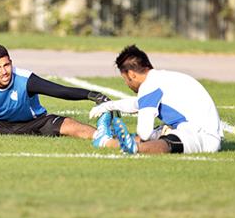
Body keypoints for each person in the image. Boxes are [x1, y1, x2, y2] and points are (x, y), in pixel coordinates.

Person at [88, 45, 223, 154]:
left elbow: (144, 133)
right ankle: (114, 137)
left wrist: (145, 137)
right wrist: (108, 106)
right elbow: (137, 104)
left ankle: (109, 142)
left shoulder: (149, 87)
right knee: (160, 131)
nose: (126, 84)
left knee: (160, 140)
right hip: (203, 132)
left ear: (131, 74)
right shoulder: (161, 79)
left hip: (202, 138)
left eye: (125, 79)